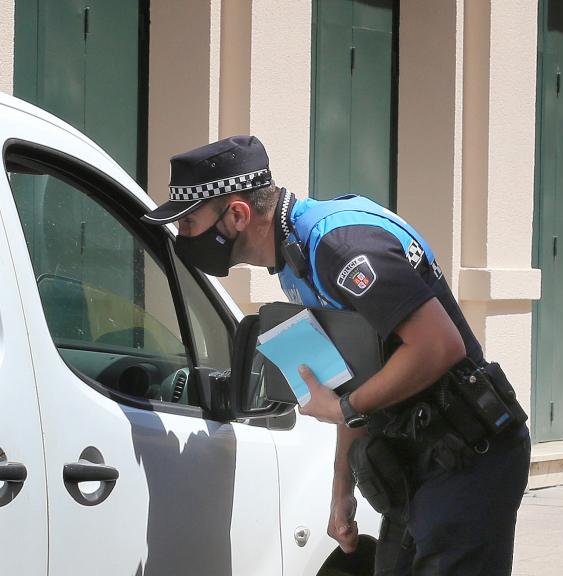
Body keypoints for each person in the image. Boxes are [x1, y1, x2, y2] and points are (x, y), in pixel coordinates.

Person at [142, 135, 531, 575]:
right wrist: (340, 488)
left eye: (189, 223)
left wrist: (347, 407)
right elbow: (352, 375)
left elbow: (438, 346)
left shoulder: (338, 245)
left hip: (468, 455)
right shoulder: (296, 257)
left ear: (237, 214)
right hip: (418, 458)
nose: (183, 237)